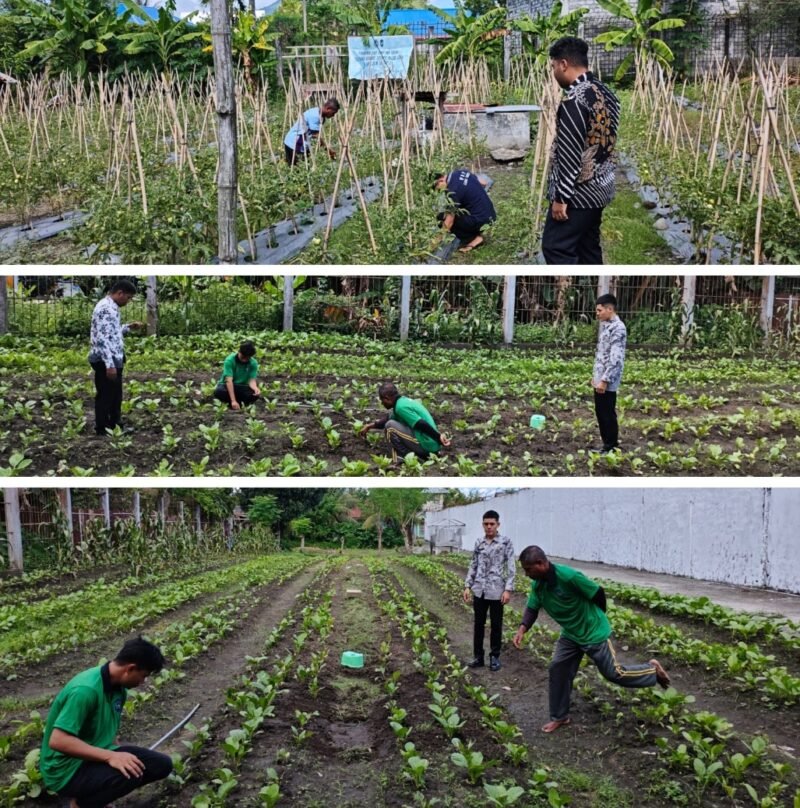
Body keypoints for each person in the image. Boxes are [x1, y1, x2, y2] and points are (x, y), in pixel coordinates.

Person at [512, 546, 670, 733]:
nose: (526, 573)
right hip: (571, 635)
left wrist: (595, 619)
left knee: (613, 673)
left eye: (528, 569)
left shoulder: (569, 577)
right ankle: (559, 717)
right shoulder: (538, 585)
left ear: (540, 564)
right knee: (558, 668)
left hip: (593, 633)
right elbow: (532, 608)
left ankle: (652, 670)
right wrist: (522, 629)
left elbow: (597, 593)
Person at [40, 637, 173, 808]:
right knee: (132, 774)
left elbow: (108, 729)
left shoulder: (119, 689)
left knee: (161, 765)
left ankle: (97, 796)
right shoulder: (85, 691)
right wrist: (112, 756)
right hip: (66, 770)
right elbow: (58, 740)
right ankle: (80, 804)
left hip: (93, 754)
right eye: (143, 676)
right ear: (130, 668)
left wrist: (116, 752)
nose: (143, 682)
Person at [541, 36, 620, 265]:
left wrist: (561, 198)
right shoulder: (607, 93)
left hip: (579, 194)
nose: (554, 72)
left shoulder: (575, 100)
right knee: (588, 248)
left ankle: (570, 293)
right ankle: (590, 290)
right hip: (602, 186)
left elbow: (570, 154)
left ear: (563, 64)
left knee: (556, 248)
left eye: (554, 66)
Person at [463, 510, 516, 671]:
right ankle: (478, 657)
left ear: (498, 524)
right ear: (482, 525)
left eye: (492, 524)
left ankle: (494, 657)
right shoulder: (479, 542)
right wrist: (467, 586)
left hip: (496, 591)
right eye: (486, 524)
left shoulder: (505, 542)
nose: (489, 527)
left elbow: (511, 568)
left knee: (496, 625)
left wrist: (508, 589)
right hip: (479, 590)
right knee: (478, 625)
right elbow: (473, 564)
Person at [88, 279, 142, 436]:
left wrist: (127, 328)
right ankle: (103, 429)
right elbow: (103, 339)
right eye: (129, 298)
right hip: (106, 360)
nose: (129, 301)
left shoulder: (111, 307)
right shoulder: (105, 309)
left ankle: (114, 426)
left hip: (112, 358)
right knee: (106, 395)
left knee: (115, 395)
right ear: (120, 293)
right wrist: (109, 365)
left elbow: (111, 332)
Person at [359, 382, 450, 463]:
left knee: (390, 427)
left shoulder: (400, 407)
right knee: (390, 422)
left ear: (387, 398)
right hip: (430, 443)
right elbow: (387, 418)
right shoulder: (402, 402)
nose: (382, 403)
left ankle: (399, 459)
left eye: (382, 400)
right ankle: (414, 456)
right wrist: (369, 426)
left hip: (427, 445)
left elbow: (421, 424)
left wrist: (438, 438)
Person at [591, 294, 626, 453]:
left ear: (609, 309)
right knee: (601, 412)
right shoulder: (607, 325)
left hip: (608, 380)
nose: (597, 313)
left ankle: (611, 446)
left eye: (599, 310)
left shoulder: (618, 328)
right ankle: (606, 445)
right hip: (601, 378)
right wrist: (596, 376)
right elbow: (602, 354)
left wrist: (605, 380)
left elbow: (615, 358)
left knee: (607, 414)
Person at [433, 169, 496, 252]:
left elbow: (449, 222)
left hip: (481, 220)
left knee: (441, 218)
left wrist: (435, 242)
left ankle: (473, 239)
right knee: (459, 210)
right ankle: (478, 230)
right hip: (491, 214)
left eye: (437, 188)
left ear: (441, 181)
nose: (438, 191)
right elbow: (483, 183)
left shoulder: (452, 191)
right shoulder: (460, 172)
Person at [284, 98, 340, 166]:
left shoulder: (318, 112)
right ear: (328, 108)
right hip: (293, 143)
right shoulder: (315, 116)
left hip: (302, 143)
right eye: (333, 113)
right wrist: (329, 151)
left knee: (306, 165)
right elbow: (317, 137)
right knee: (296, 168)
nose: (333, 115)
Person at [213, 340, 261, 410]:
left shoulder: (253, 363)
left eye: (247, 358)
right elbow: (228, 381)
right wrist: (233, 401)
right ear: (239, 352)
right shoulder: (229, 360)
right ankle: (234, 402)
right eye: (243, 357)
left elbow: (252, 381)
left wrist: (255, 388)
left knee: (254, 394)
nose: (244, 360)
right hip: (227, 386)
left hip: (242, 387)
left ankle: (235, 403)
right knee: (219, 391)